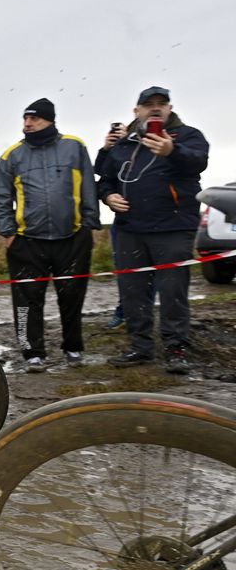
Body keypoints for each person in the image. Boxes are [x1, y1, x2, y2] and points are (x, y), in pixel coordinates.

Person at [96, 86, 209, 374]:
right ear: (137, 111)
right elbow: (105, 179)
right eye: (149, 104)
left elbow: (199, 161)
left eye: (162, 103)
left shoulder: (188, 136)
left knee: (173, 291)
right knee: (133, 292)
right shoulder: (125, 143)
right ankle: (140, 347)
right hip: (129, 229)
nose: (155, 108)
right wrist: (108, 196)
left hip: (173, 227)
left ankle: (176, 348)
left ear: (170, 108)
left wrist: (172, 151)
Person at [0, 98, 99, 373]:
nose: (28, 123)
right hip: (27, 242)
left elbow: (88, 186)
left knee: (72, 296)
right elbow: (1, 196)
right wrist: (8, 232)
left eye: (35, 118)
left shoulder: (75, 147)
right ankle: (32, 353)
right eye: (25, 119)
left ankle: (73, 348)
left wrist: (89, 225)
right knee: (26, 302)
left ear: (50, 120)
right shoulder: (11, 155)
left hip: (72, 238)